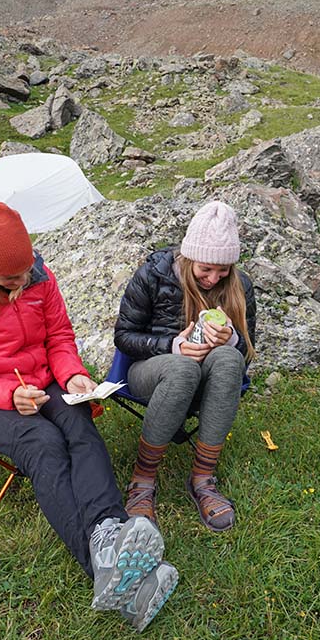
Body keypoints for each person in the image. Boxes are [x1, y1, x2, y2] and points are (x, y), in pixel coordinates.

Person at [0, 202, 178, 631]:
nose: (23, 281)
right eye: (11, 278)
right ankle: (101, 566)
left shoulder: (40, 277)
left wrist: (74, 374)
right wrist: (8, 392)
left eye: (26, 270)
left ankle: (108, 532)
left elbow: (59, 337)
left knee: (78, 424)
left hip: (45, 383)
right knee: (42, 443)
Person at [114, 201, 257, 532]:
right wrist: (172, 346)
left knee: (228, 358)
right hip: (149, 370)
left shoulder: (240, 285)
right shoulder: (155, 274)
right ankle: (143, 481)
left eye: (223, 271)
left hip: (210, 376)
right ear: (190, 256)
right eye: (206, 269)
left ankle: (203, 479)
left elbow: (247, 357)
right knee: (182, 369)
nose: (213, 278)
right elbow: (124, 336)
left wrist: (232, 339)